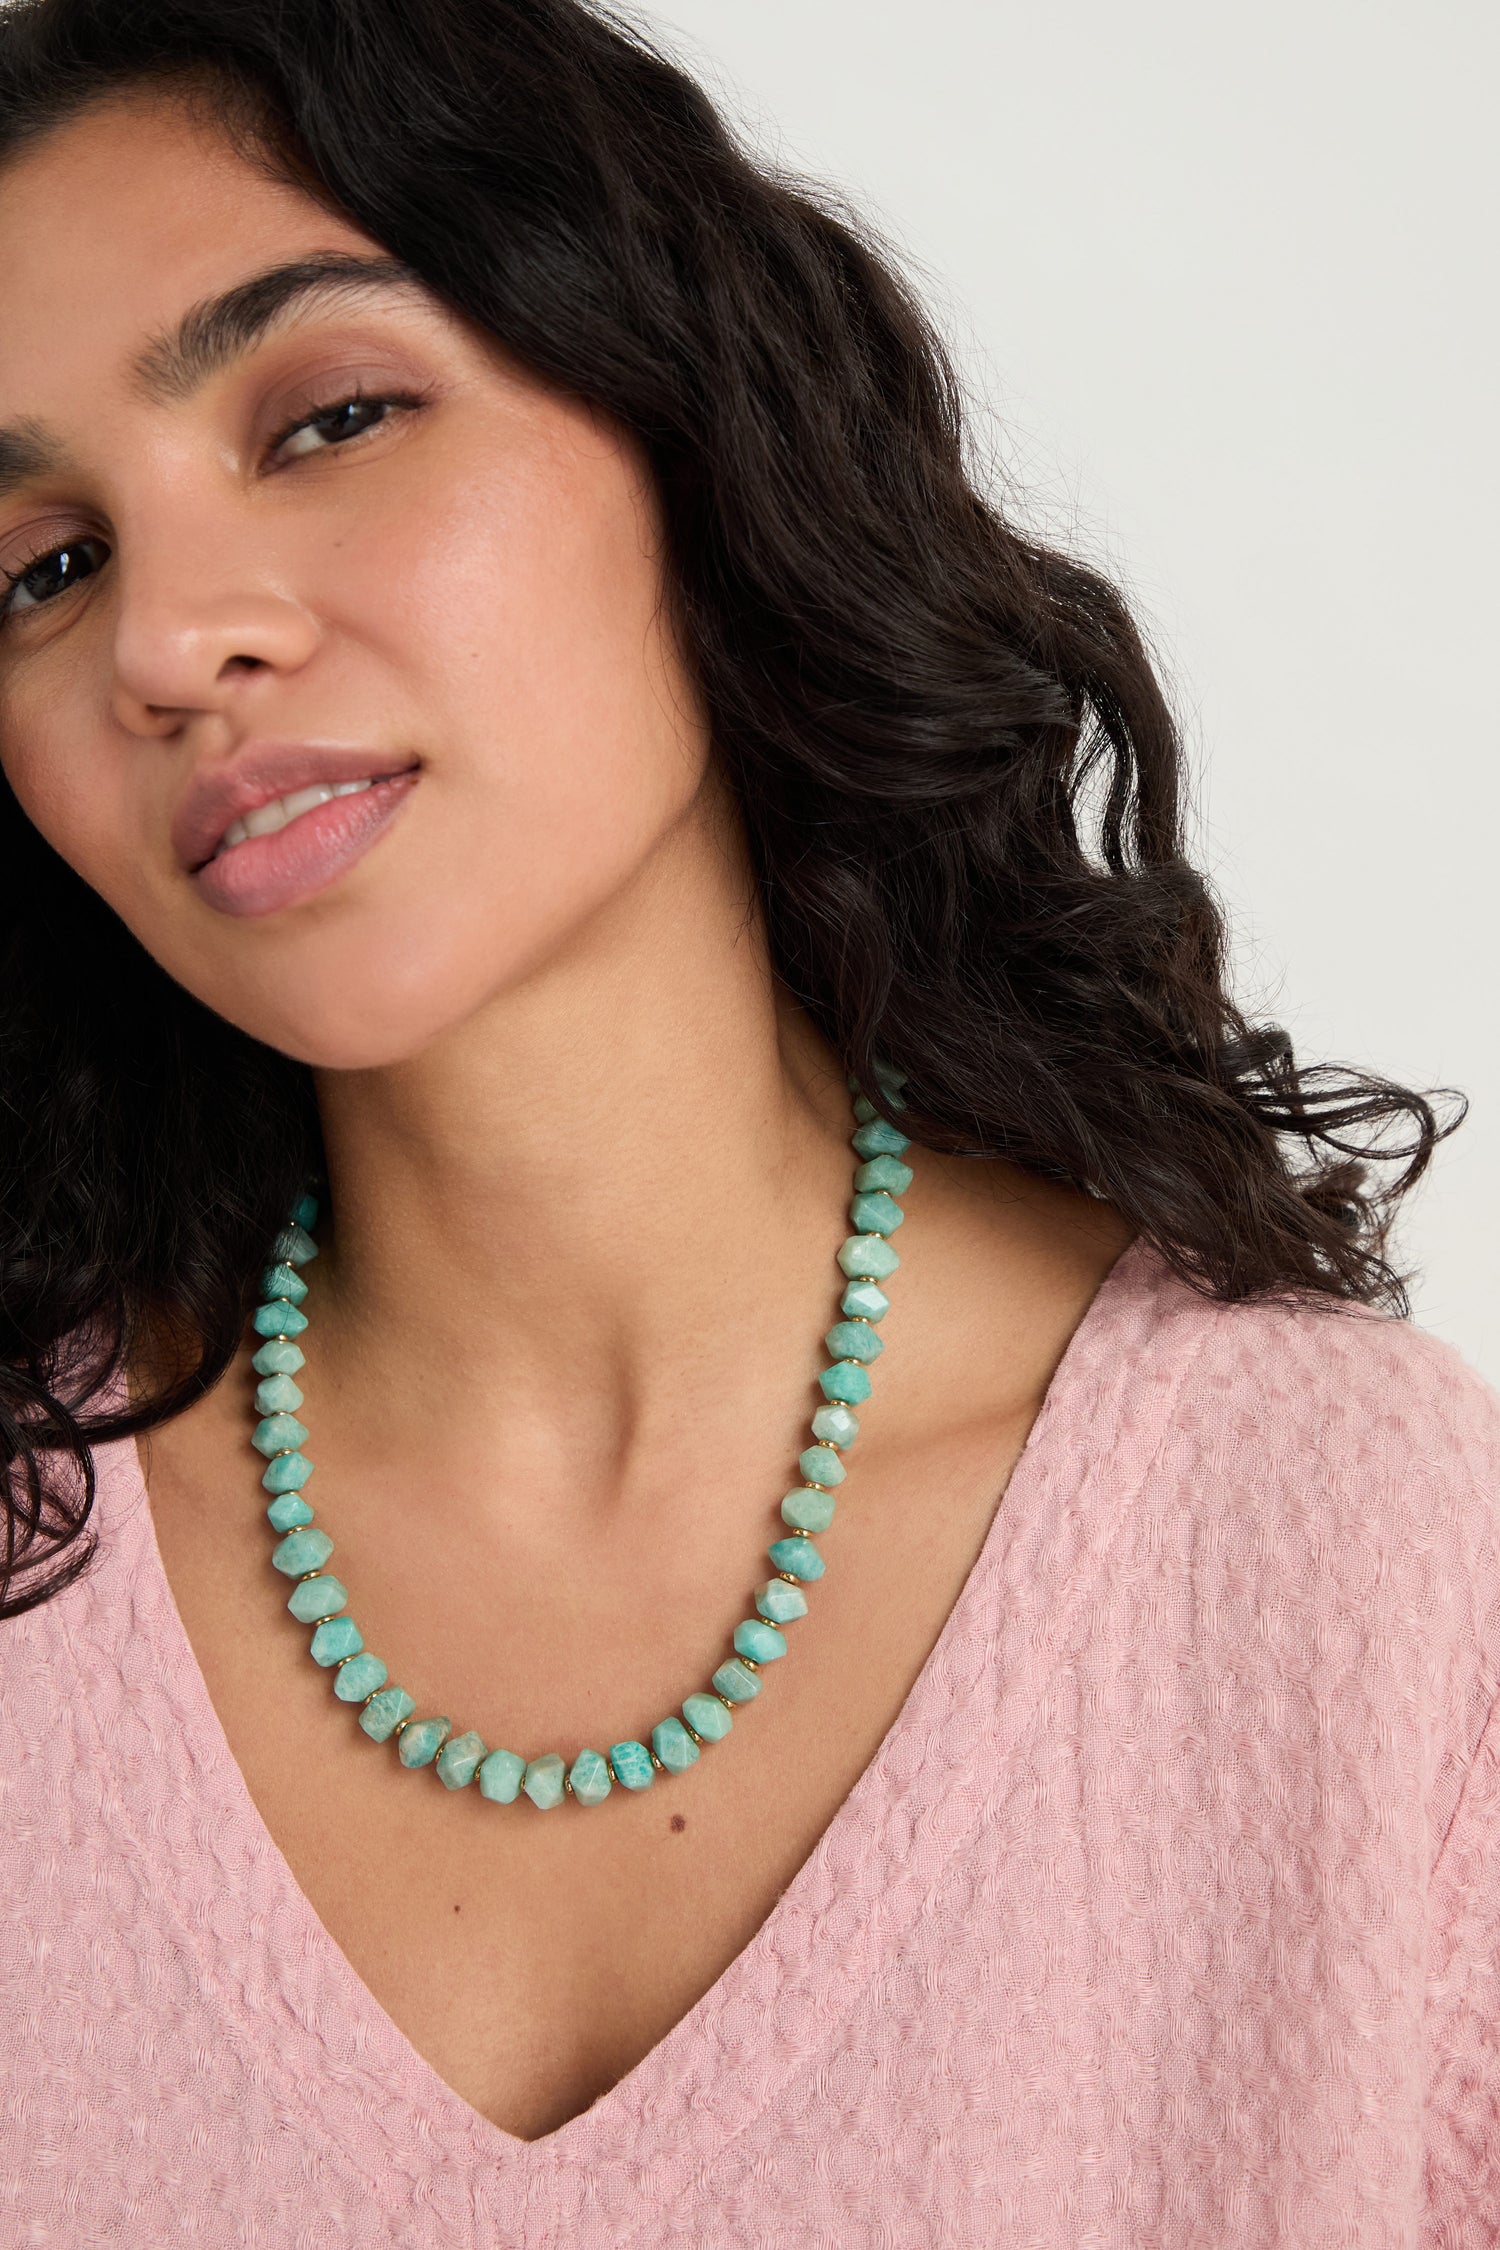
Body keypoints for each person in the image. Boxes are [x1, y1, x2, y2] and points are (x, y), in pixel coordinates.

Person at [0, 0, 1493, 2241]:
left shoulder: (1342, 1556)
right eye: (42, 568)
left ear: (689, 430)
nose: (168, 640)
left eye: (328, 417)